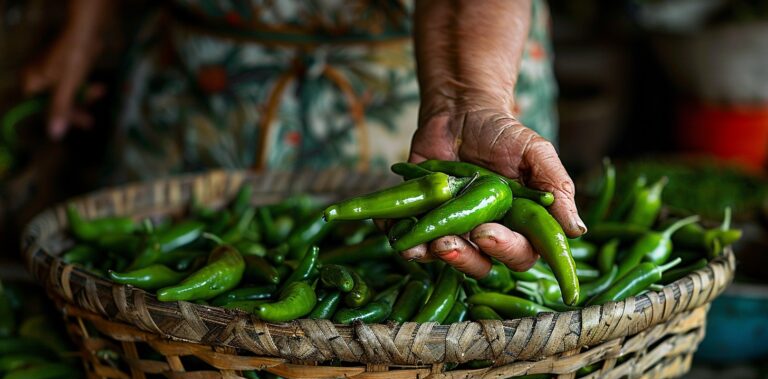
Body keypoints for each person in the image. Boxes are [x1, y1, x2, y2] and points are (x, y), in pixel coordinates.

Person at [23, 0, 584, 278]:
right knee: (151, 311)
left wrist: (464, 102)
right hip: (200, 73)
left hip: (420, 68)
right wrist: (87, 19)